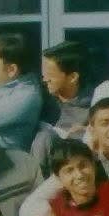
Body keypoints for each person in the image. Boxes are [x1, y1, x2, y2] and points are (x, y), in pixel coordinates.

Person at [32, 41, 95, 175]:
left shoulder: (94, 104)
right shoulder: (40, 98)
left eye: (50, 74)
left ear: (72, 77)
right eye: (43, 74)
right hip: (40, 176)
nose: (45, 79)